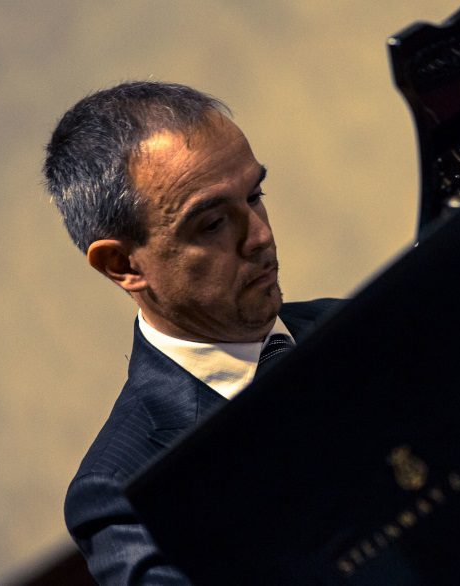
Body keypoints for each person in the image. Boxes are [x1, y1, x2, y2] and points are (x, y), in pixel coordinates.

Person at [43, 81, 340, 583]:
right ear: (122, 264)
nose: (261, 236)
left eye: (255, 196)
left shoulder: (367, 323)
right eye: (213, 224)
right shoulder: (123, 491)